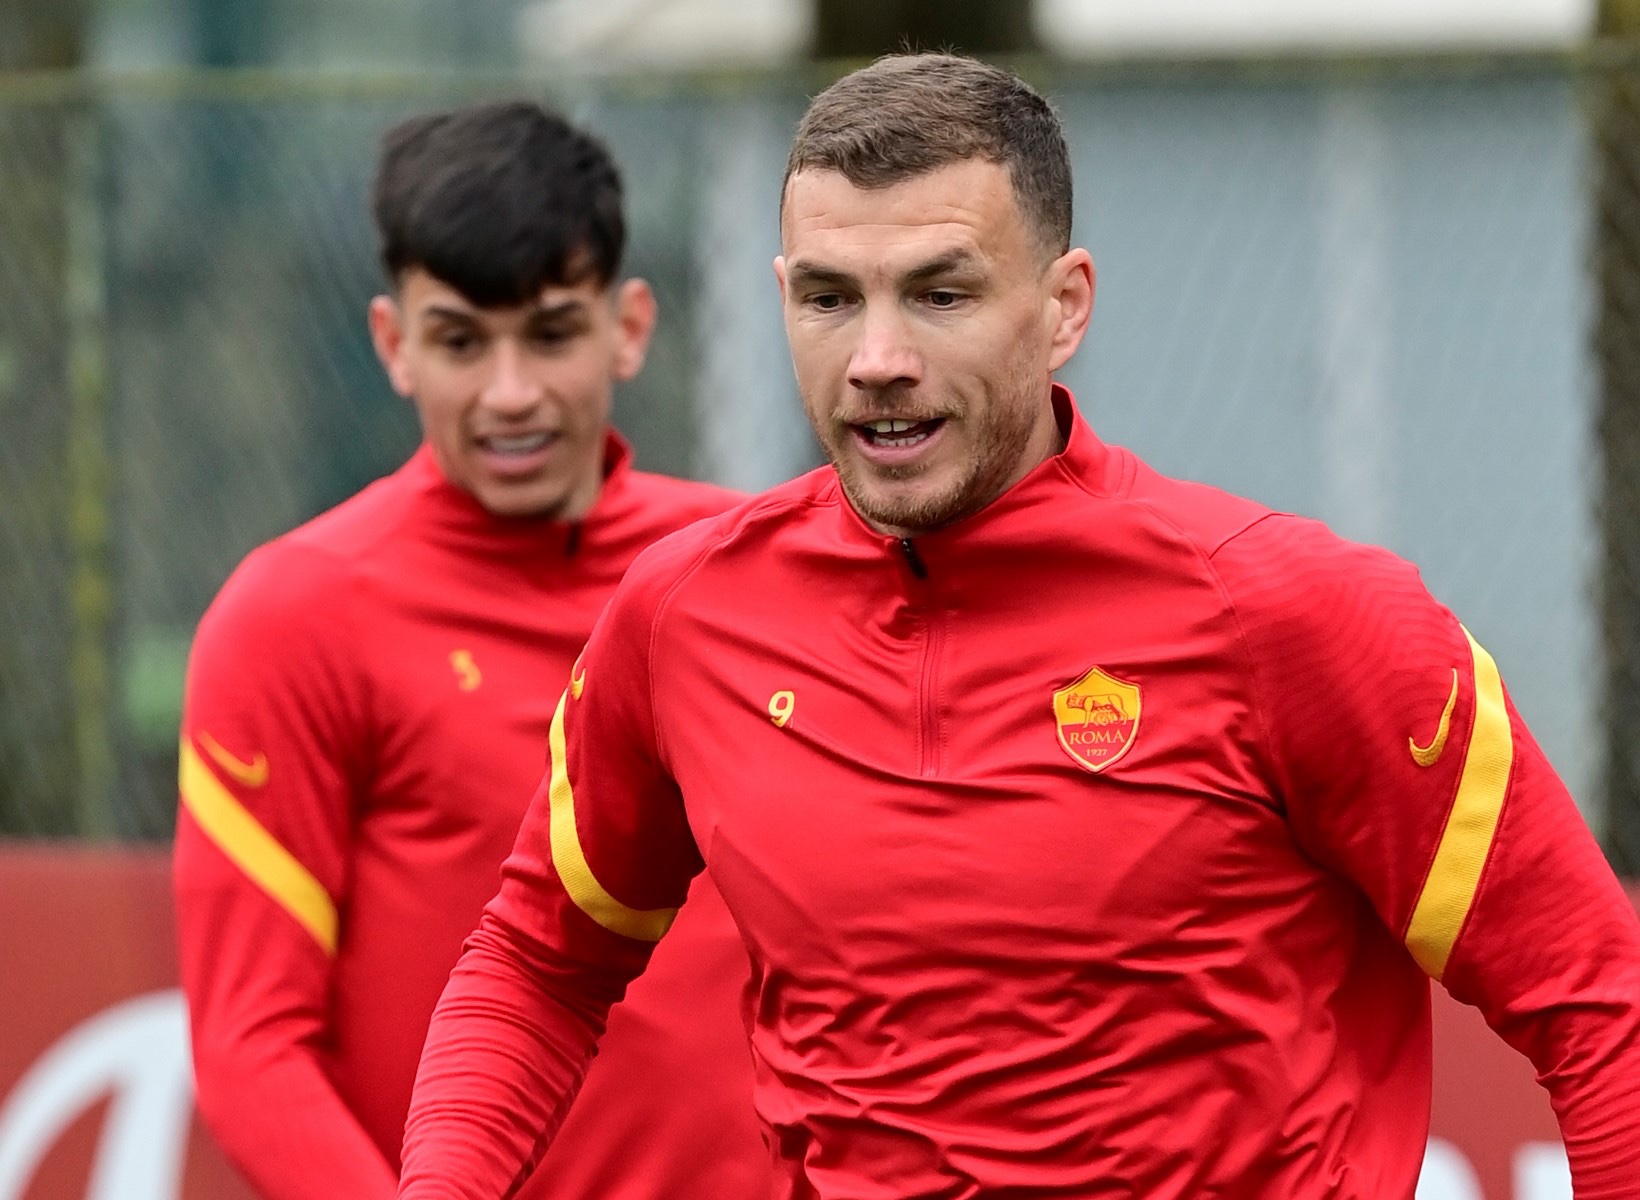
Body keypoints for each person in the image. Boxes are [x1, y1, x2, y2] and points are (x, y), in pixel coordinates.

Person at [397, 56, 1640, 1199]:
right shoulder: (684, 617)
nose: (876, 357)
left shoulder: (1297, 614)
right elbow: (537, 965)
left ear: (1063, 307)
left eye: (939, 294)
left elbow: (1596, 1006)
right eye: (828, 298)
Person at [173, 99, 771, 1200]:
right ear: (393, 344)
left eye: (550, 333)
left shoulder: (750, 571)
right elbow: (250, 1048)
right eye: (460, 341)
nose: (510, 393)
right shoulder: (292, 615)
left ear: (629, 326)